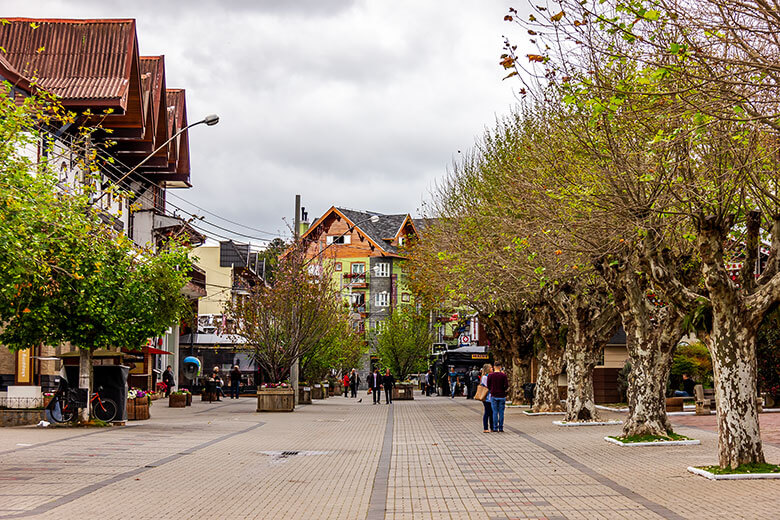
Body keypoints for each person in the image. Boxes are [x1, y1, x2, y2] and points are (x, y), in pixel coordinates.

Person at [486, 362, 508, 432]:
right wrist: (503, 390)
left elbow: (488, 385)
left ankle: (495, 427)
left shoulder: (490, 375)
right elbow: (506, 385)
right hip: (502, 395)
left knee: (494, 412)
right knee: (501, 412)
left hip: (494, 395)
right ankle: (501, 427)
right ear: (500, 367)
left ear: (494, 366)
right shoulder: (503, 375)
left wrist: (492, 390)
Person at [480, 364, 493, 433]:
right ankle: (485, 427)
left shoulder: (489, 376)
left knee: (491, 412)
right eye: (491, 368)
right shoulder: (485, 377)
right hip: (486, 397)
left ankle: (492, 427)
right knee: (487, 412)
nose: (492, 369)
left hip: (490, 397)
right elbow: (487, 386)